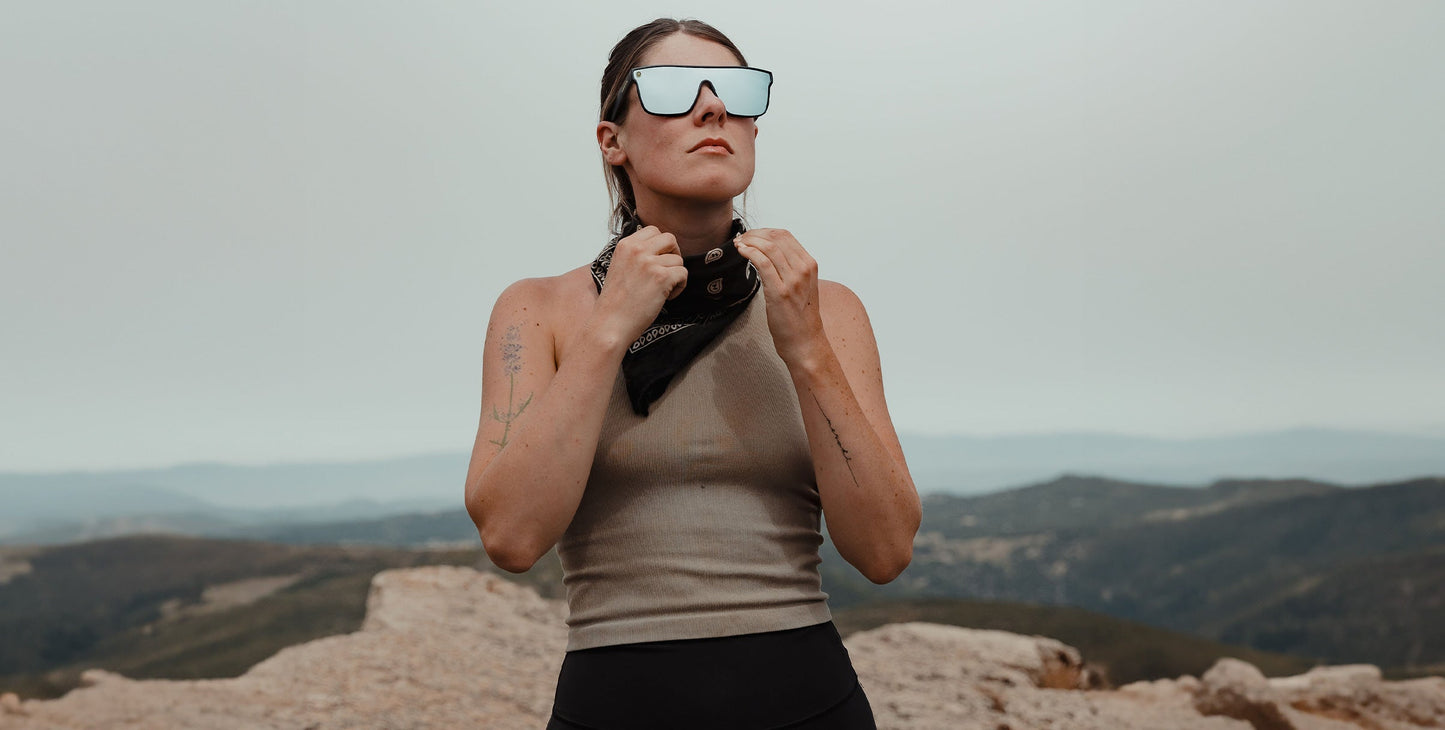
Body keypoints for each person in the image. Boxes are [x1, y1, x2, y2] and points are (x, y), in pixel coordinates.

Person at [464, 17, 921, 729]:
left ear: (754, 133)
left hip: (812, 702)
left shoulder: (826, 309)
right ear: (611, 141)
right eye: (674, 90)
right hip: (612, 707)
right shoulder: (538, 311)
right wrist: (610, 325)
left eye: (736, 93)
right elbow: (512, 537)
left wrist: (806, 349)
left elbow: (885, 550)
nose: (713, 108)